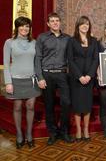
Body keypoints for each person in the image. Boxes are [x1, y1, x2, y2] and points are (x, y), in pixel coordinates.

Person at [34, 12, 73, 145]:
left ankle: (64, 132)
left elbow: (72, 57)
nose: (55, 23)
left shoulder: (68, 38)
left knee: (66, 103)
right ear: (48, 24)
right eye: (52, 21)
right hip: (47, 75)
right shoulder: (42, 38)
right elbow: (38, 58)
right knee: (49, 105)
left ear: (60, 22)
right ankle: (52, 133)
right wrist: (40, 77)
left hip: (62, 74)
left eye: (57, 20)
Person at [3, 16, 40, 149]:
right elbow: (6, 64)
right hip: (15, 79)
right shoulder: (9, 42)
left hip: (31, 79)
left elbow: (37, 62)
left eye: (27, 26)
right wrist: (8, 82)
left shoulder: (34, 42)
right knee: (17, 107)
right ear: (17, 27)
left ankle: (29, 134)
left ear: (29, 28)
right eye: (22, 26)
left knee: (30, 106)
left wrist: (40, 78)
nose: (24, 28)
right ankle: (19, 134)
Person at [67, 16, 99, 141]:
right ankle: (78, 130)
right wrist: (80, 76)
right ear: (78, 26)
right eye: (83, 24)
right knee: (77, 104)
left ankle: (85, 128)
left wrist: (89, 75)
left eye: (87, 24)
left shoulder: (94, 40)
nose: (85, 26)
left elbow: (96, 59)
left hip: (89, 78)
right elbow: (70, 60)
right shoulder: (72, 40)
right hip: (76, 78)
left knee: (87, 104)